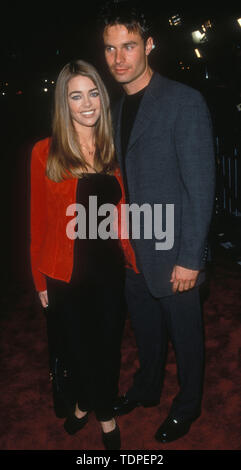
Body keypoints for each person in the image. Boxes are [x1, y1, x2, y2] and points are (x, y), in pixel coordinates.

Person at [100, 1, 216, 443]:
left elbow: (200, 188)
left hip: (175, 255)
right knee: (146, 333)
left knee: (186, 339)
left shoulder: (184, 102)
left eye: (128, 46)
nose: (119, 59)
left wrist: (190, 258)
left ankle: (188, 405)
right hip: (131, 251)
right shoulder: (113, 108)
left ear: (149, 44)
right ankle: (147, 388)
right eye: (110, 49)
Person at [30, 59, 138, 450]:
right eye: (76, 95)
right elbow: (38, 222)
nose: (87, 103)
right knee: (78, 349)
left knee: (108, 347)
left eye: (93, 93)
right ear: (65, 103)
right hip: (64, 273)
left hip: (109, 269)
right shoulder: (46, 152)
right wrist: (39, 279)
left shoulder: (114, 149)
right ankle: (105, 415)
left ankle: (84, 404)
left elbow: (123, 215)